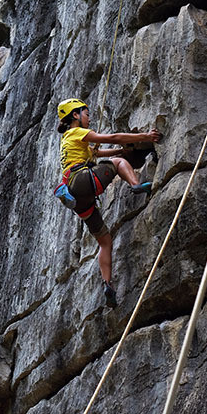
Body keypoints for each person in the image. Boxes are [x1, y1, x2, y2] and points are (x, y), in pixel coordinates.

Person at [55, 98, 160, 308]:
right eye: (86, 113)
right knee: (120, 164)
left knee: (104, 241)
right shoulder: (77, 132)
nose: (89, 116)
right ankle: (135, 184)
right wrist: (145, 137)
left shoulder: (68, 140)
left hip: (79, 199)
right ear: (75, 115)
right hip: (84, 180)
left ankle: (108, 284)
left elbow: (100, 153)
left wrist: (119, 151)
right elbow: (113, 137)